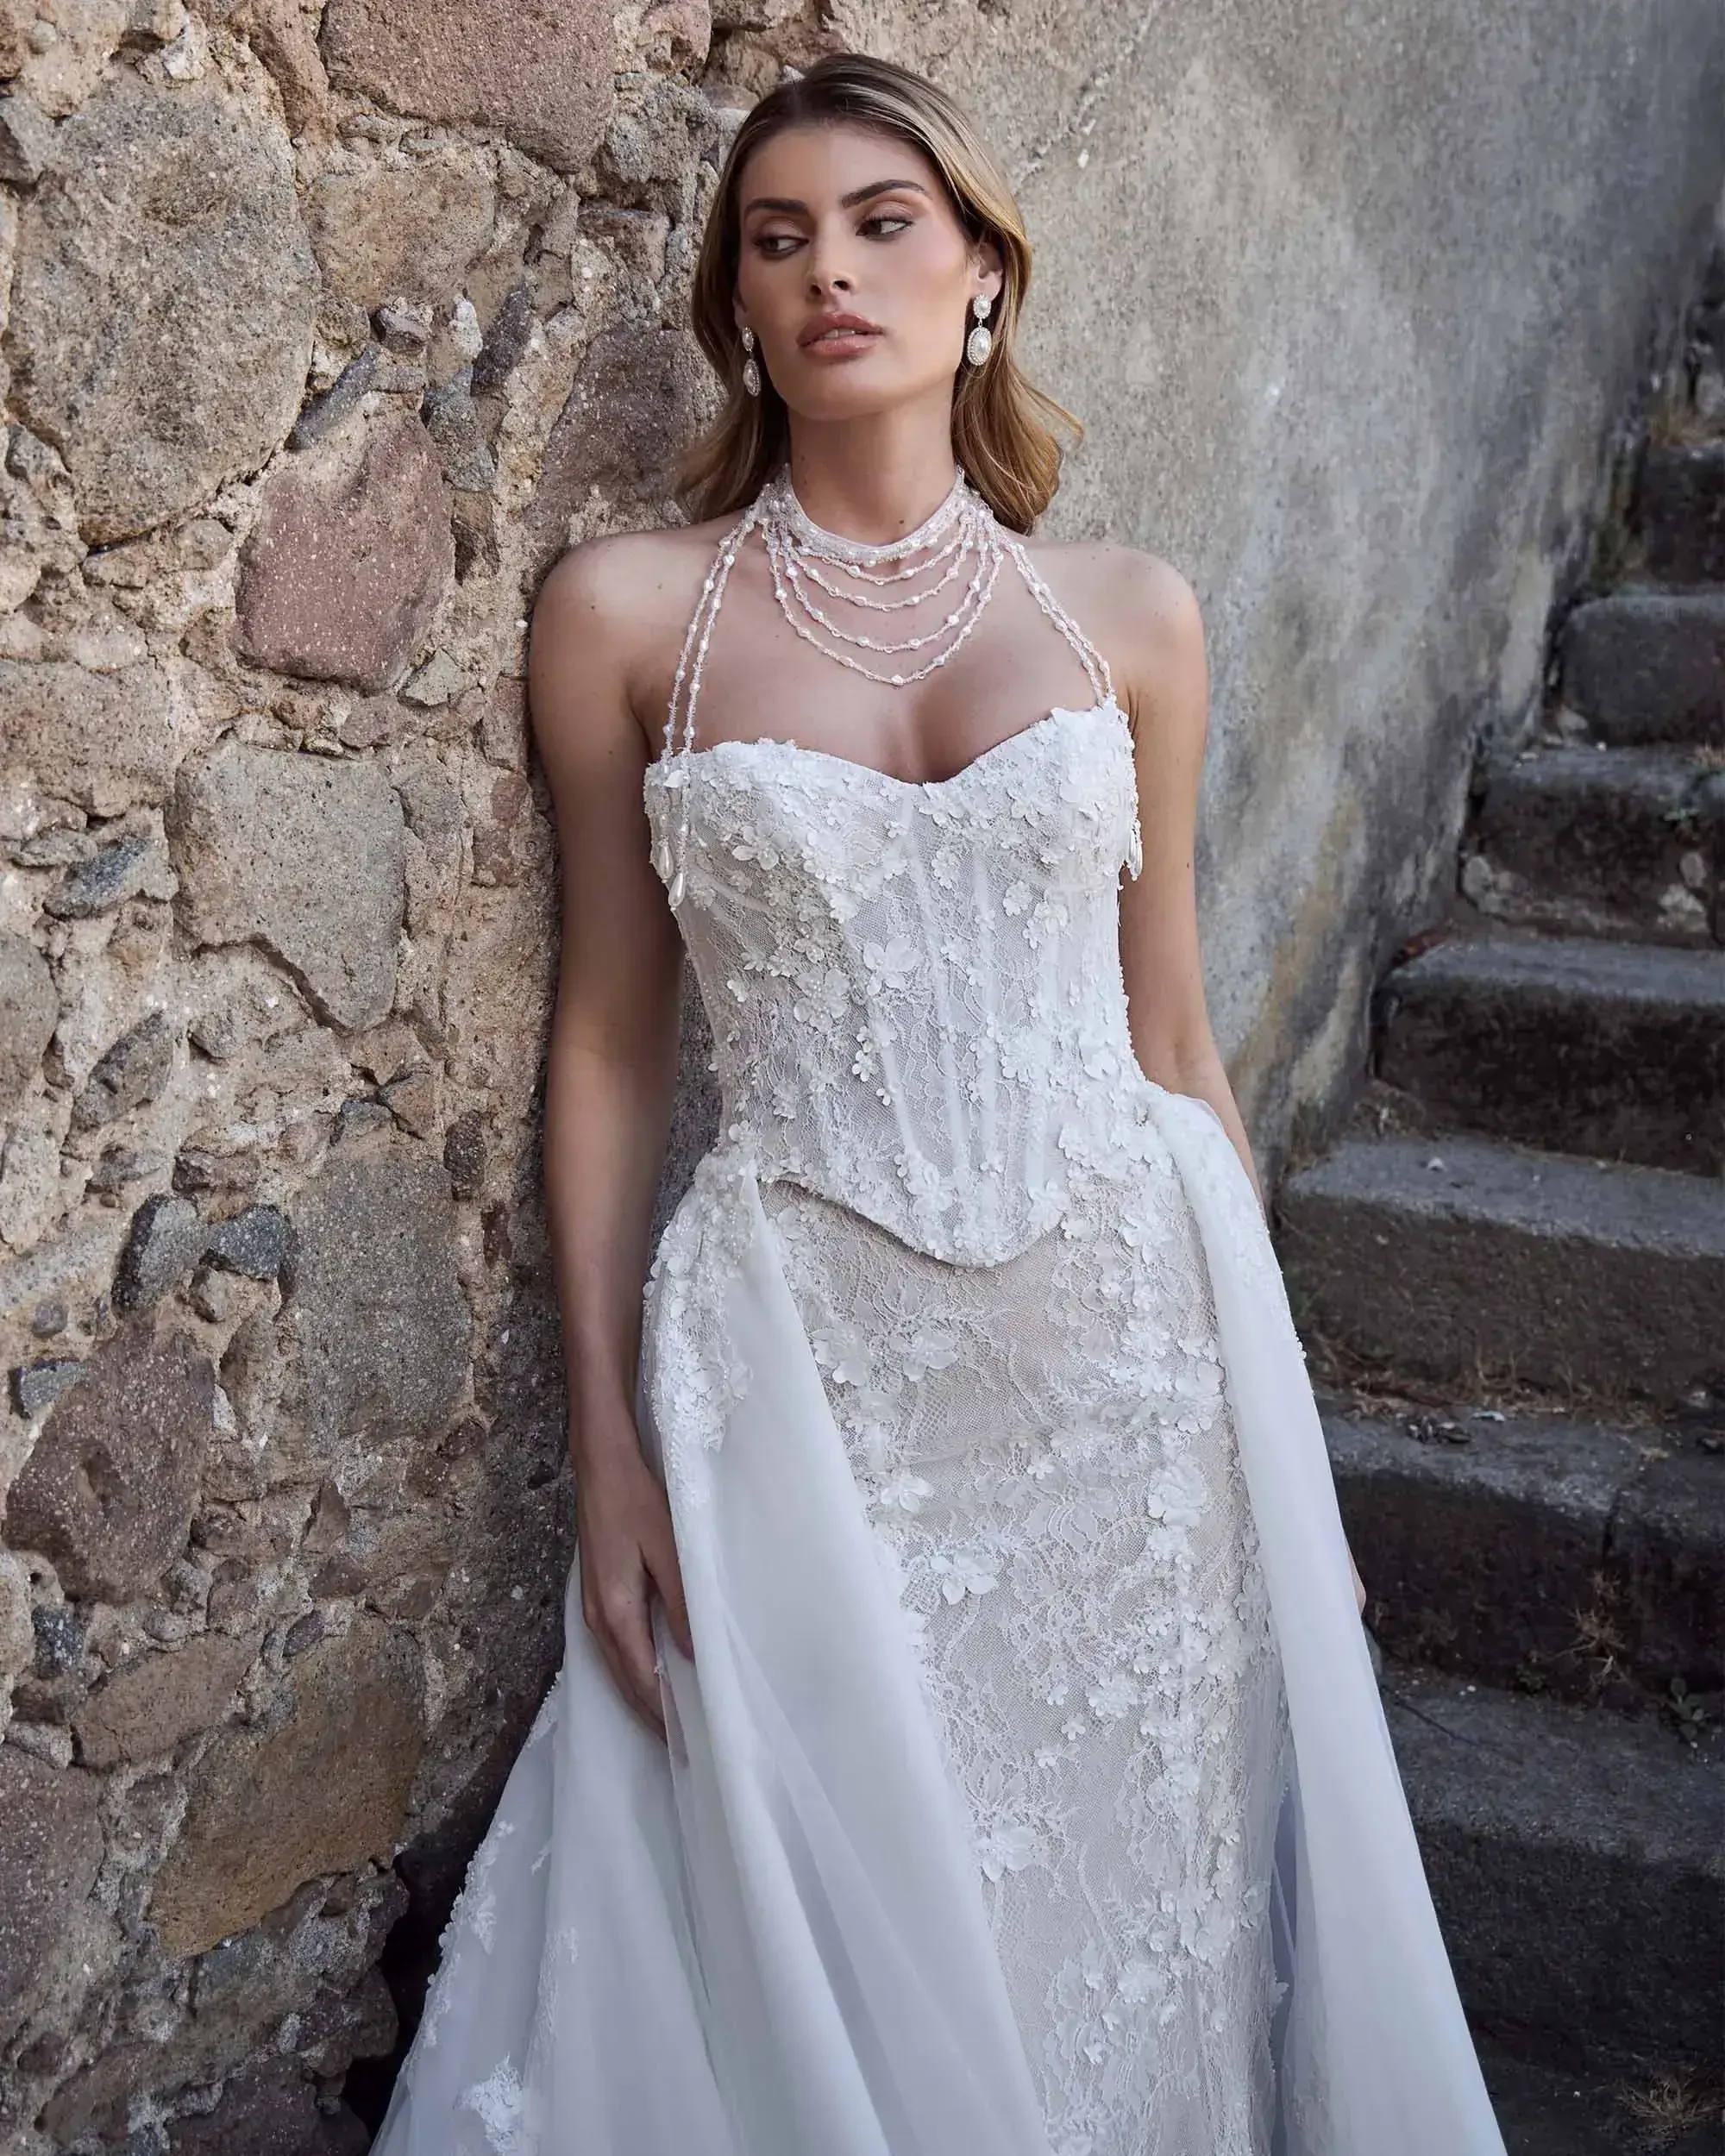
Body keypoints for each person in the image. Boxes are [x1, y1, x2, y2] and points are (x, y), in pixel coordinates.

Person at [369, 50, 1508, 2156]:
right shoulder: (627, 618)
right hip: (807, 1371)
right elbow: (610, 1040)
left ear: (982, 270)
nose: (830, 272)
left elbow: (1176, 1041)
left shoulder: (1128, 617)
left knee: (1122, 1932)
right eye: (777, 238)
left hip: (1128, 1371)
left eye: (882, 224)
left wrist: (1286, 1455)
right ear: (736, 301)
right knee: (831, 1904)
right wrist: (607, 1443)